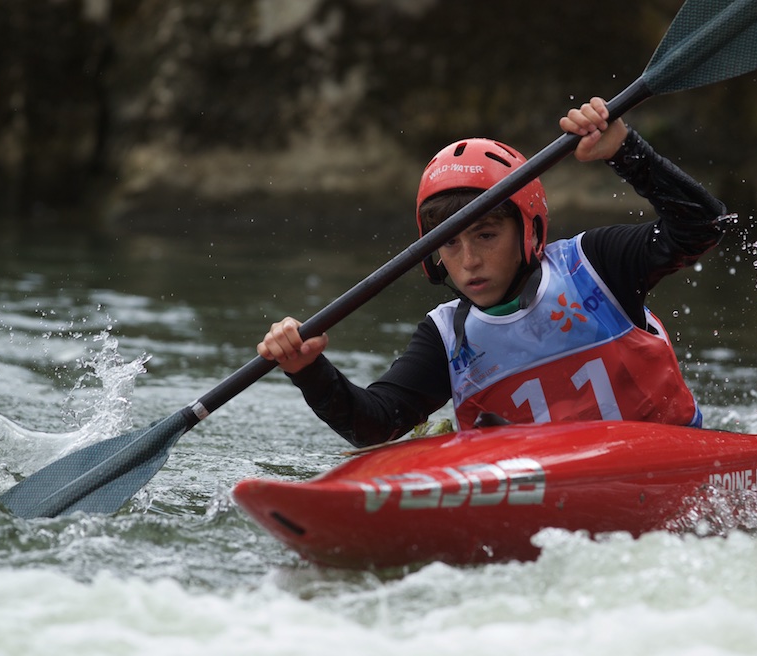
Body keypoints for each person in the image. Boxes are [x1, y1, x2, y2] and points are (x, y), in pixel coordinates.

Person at [258, 97, 731, 448]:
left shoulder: (595, 265)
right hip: (545, 494)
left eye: (486, 235)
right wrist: (307, 369)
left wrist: (625, 151)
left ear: (530, 229)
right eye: (449, 242)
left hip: (668, 460)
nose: (468, 261)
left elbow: (703, 227)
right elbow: (376, 424)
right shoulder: (448, 336)